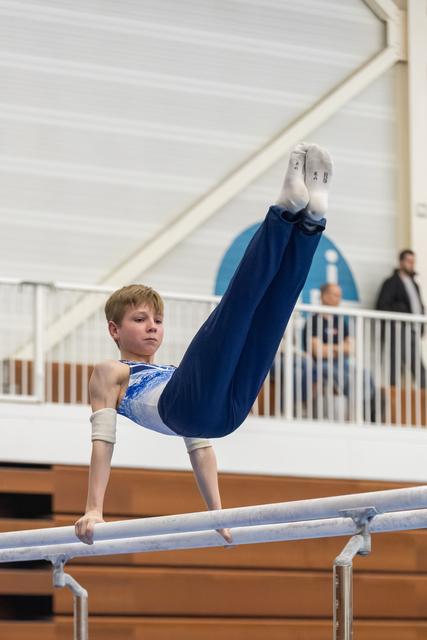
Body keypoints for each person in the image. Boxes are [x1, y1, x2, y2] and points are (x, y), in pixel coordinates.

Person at [74, 143, 333, 545]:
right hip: (218, 414)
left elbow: (200, 450)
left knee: (263, 314)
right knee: (253, 313)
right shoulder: (111, 372)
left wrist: (216, 512)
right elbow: (103, 441)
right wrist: (94, 508)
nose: (152, 328)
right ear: (114, 330)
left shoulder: (179, 374)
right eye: (139, 320)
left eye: (157, 320)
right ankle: (291, 216)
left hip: (208, 415)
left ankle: (307, 221)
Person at [303, 283, 375, 419]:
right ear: (324, 296)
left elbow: (351, 348)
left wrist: (330, 348)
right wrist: (339, 348)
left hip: (342, 363)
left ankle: (364, 413)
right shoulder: (313, 321)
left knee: (366, 375)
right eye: (335, 295)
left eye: (340, 296)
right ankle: (356, 417)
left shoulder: (340, 321)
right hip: (319, 365)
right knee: (346, 377)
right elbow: (318, 352)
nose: (339, 299)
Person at [376, 250, 426, 387]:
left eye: (413, 261)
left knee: (416, 365)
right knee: (397, 364)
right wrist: (400, 310)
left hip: (413, 330)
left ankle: (423, 396)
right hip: (399, 330)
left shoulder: (414, 283)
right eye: (409, 261)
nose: (411, 264)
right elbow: (382, 305)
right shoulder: (392, 282)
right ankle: (393, 395)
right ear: (401, 262)